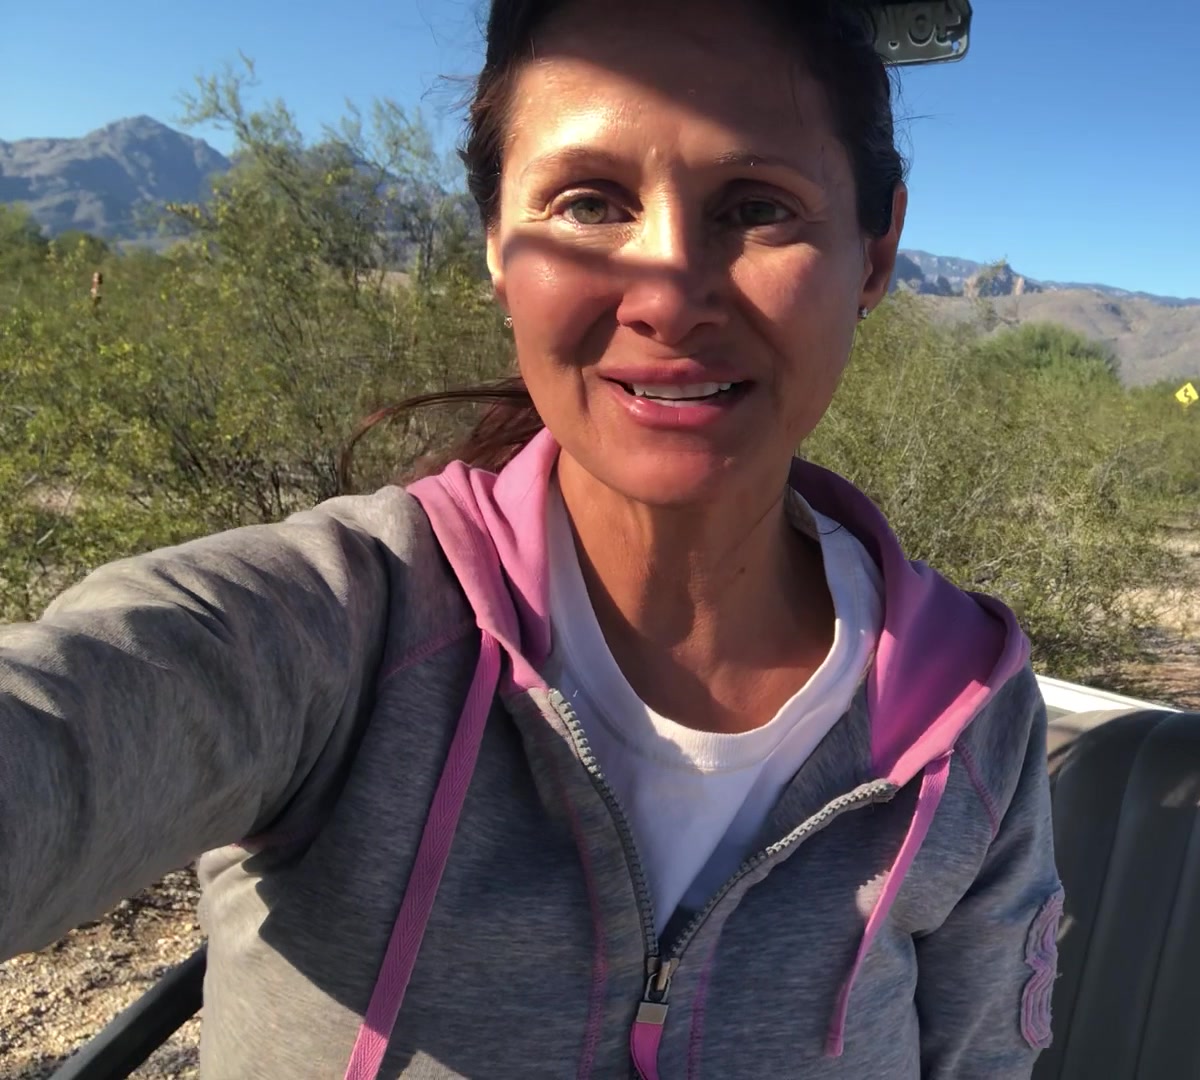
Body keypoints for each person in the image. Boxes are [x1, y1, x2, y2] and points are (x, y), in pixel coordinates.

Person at [0, 0, 1064, 1076]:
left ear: (874, 253)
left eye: (756, 208)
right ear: (497, 244)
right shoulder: (341, 627)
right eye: (589, 203)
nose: (667, 295)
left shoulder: (970, 710)